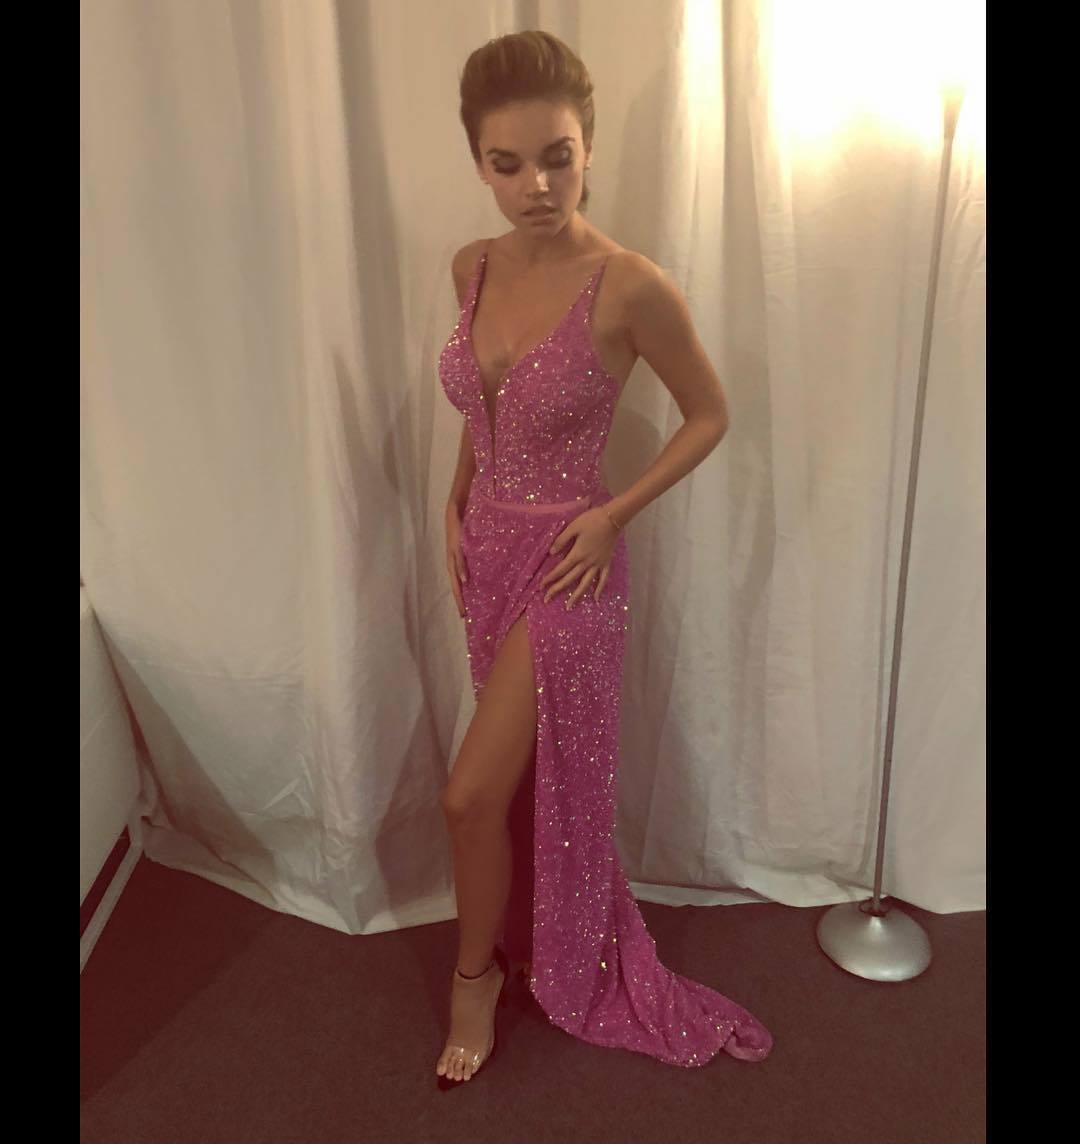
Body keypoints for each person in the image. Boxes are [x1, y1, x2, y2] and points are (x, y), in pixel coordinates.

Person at [435, 31, 773, 1087]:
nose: (536, 185)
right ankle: (518, 933)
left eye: (558, 157)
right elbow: (483, 400)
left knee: (467, 795)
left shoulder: (629, 286)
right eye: (507, 164)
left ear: (588, 149)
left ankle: (473, 982)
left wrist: (615, 514)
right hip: (487, 550)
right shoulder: (470, 265)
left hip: (569, 565)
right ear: (479, 164)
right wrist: (455, 494)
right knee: (506, 785)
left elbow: (710, 414)